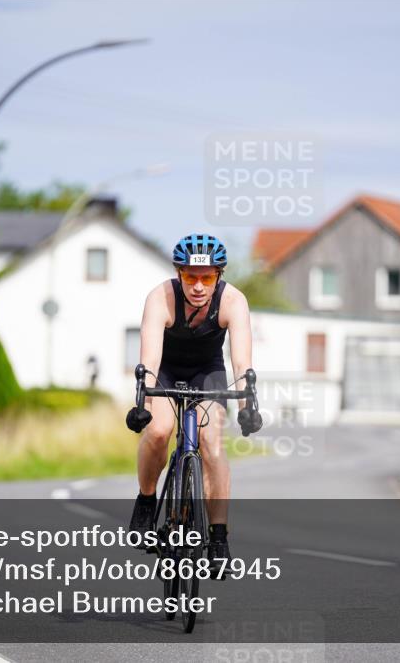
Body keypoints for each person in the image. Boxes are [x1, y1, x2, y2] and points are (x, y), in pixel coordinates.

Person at [125, 233, 262, 571]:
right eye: (190, 276)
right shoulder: (161, 298)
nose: (198, 286)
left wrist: (247, 409)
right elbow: (150, 362)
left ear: (219, 276)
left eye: (207, 277)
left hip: (208, 372)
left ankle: (217, 536)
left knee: (212, 443)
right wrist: (142, 402)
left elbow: (242, 364)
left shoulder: (233, 302)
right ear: (178, 274)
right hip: (167, 372)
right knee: (159, 430)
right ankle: (146, 500)